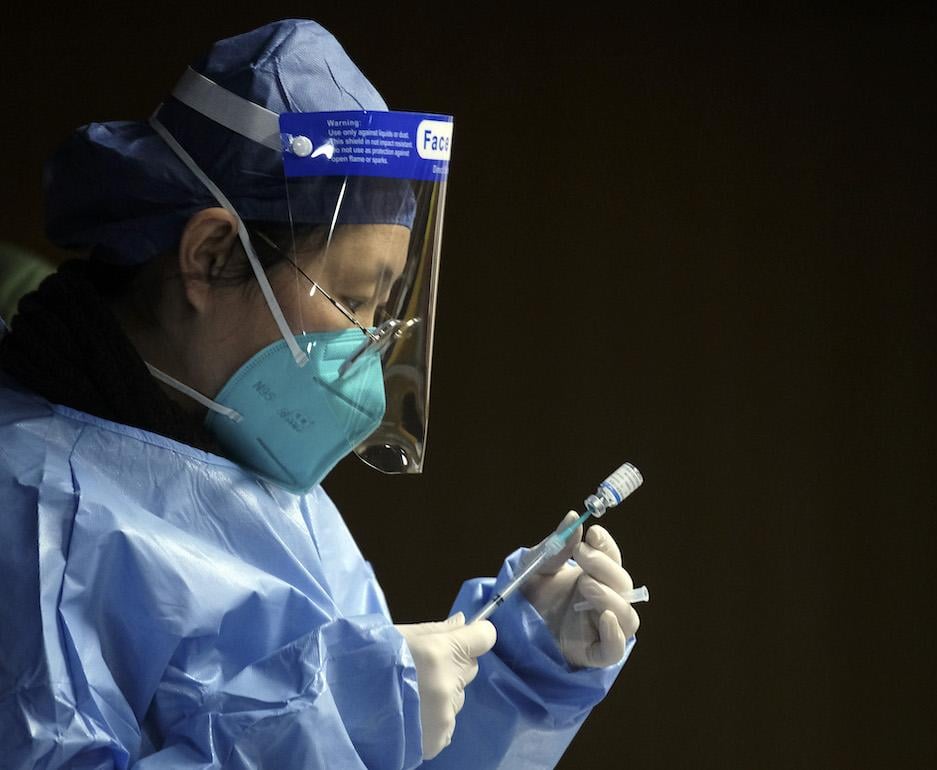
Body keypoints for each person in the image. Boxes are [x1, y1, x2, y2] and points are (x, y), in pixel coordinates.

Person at [0, 18, 641, 769]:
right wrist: (340, 717)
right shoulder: (40, 513)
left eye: (383, 310)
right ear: (210, 256)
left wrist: (512, 665)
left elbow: (390, 749)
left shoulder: (258, 478)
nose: (367, 348)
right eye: (350, 298)